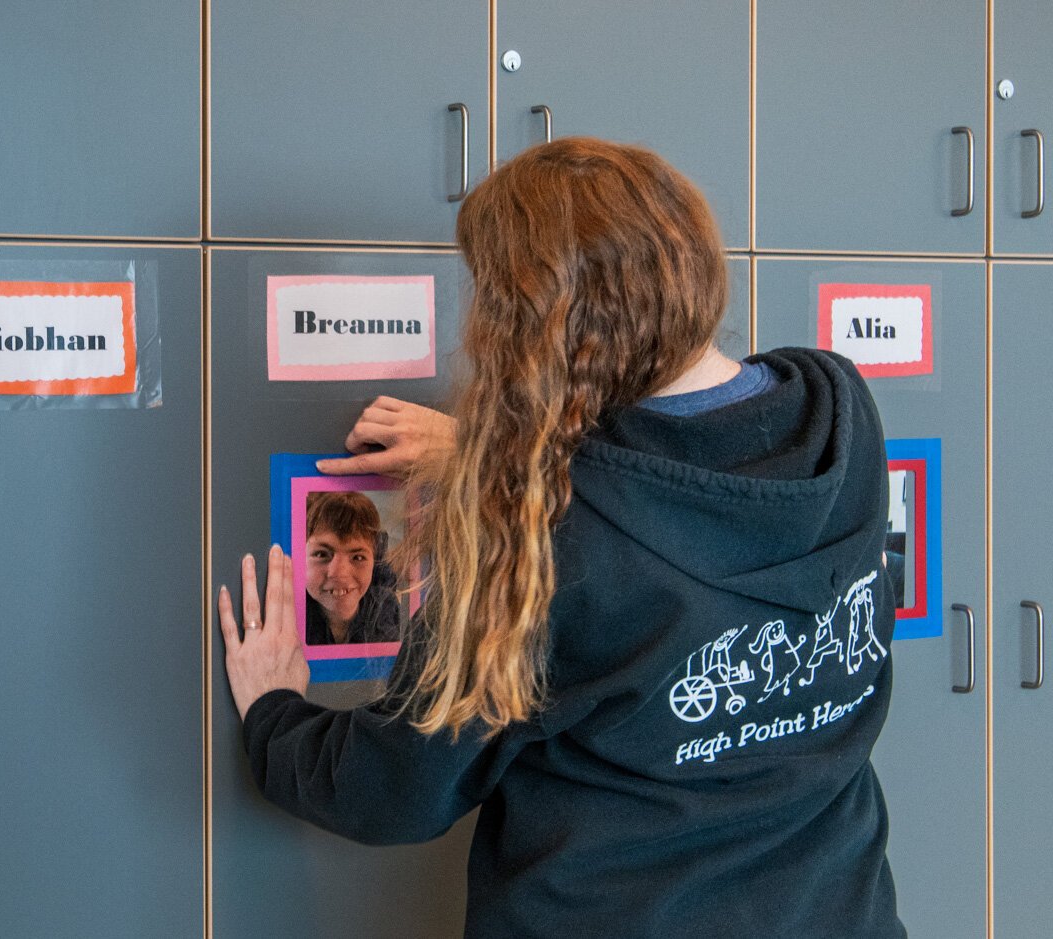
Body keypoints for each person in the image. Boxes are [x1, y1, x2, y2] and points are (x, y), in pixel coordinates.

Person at [218, 137, 903, 938]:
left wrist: (271, 712)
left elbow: (396, 788)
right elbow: (687, 486)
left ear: (536, 330)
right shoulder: (837, 415)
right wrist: (486, 460)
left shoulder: (531, 533)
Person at [303, 491, 401, 646]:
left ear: (373, 562)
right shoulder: (290, 617)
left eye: (358, 557)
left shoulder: (386, 608)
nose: (339, 573)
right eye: (321, 554)